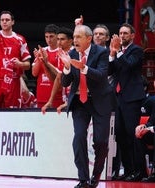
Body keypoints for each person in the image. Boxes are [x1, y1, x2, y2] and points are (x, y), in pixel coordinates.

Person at [59, 24, 113, 188]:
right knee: (79, 137)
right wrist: (67, 67)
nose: (74, 40)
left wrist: (83, 67)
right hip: (79, 102)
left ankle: (95, 176)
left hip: (99, 101)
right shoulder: (72, 53)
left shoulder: (101, 52)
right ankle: (83, 179)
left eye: (78, 37)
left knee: (101, 142)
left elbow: (102, 76)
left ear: (89, 39)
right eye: (74, 37)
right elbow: (65, 82)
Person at [109, 23, 146, 181]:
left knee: (133, 134)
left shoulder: (136, 50)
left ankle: (140, 171)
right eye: (120, 33)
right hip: (118, 98)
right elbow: (111, 71)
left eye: (125, 33)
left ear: (132, 35)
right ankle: (129, 170)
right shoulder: (119, 52)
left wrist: (117, 52)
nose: (122, 36)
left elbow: (129, 65)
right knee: (120, 134)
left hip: (132, 98)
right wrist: (111, 54)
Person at [40, 26, 74, 114]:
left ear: (70, 41)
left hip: (76, 98)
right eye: (58, 39)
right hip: (65, 96)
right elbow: (59, 77)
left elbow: (79, 80)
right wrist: (50, 101)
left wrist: (70, 101)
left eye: (62, 39)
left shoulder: (75, 54)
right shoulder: (61, 53)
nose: (59, 42)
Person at [135, 76, 155, 182]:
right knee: (140, 134)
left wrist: (151, 128)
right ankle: (142, 172)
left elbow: (154, 126)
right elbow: (152, 121)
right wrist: (143, 127)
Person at [32, 24, 63, 108]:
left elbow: (60, 75)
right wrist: (39, 59)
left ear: (57, 36)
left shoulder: (62, 52)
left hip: (57, 96)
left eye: (51, 36)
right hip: (41, 95)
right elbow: (34, 73)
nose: (49, 39)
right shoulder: (42, 51)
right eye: (46, 37)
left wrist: (46, 62)